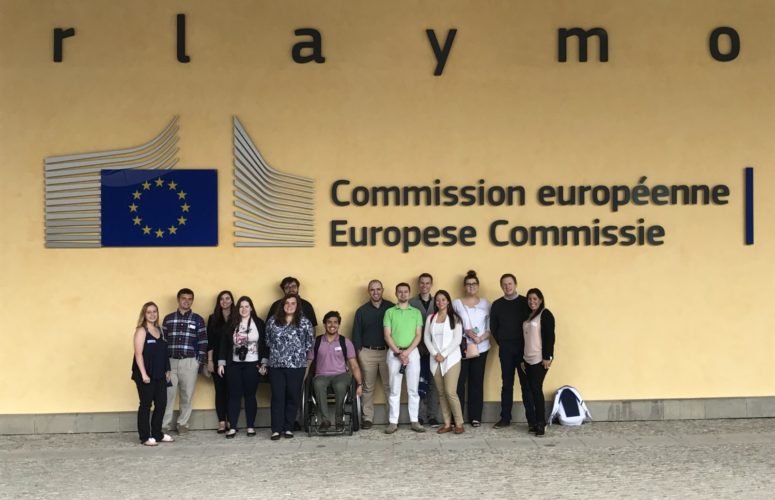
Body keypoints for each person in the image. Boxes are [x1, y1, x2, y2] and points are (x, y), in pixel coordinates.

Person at [217, 296, 268, 438]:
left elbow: (264, 344)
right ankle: (232, 427)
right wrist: (221, 363)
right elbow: (224, 344)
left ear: (251, 308)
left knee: (250, 395)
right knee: (234, 396)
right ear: (237, 309)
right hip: (234, 364)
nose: (244, 309)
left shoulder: (259, 323)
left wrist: (264, 362)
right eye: (241, 306)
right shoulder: (231, 323)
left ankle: (250, 426)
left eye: (247, 306)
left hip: (253, 363)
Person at [265, 294, 314, 440]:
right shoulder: (272, 321)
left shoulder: (305, 322)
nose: (290, 305)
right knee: (278, 396)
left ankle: (288, 427)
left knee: (293, 396)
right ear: (282, 304)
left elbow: (309, 343)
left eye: (293, 303)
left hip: (297, 365)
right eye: (287, 303)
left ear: (298, 305)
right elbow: (267, 341)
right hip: (276, 365)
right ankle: (276, 429)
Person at [490, 273, 534, 430]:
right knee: (507, 384)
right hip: (506, 349)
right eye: (504, 284)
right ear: (501, 286)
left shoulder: (525, 302)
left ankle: (532, 420)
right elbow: (493, 327)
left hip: (524, 350)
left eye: (510, 284)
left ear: (515, 284)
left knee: (526, 384)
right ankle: (505, 418)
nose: (507, 287)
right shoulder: (497, 305)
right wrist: (502, 342)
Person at [162, 288, 207, 434]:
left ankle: (182, 423)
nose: (186, 301)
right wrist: (164, 363)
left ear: (192, 301)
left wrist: (198, 362)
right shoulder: (168, 319)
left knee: (187, 395)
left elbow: (203, 341)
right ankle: (164, 424)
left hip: (189, 362)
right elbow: (162, 341)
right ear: (178, 299)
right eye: (183, 298)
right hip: (171, 362)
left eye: (189, 299)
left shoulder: (198, 319)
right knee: (168, 394)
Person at [350, 279, 393, 430]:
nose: (375, 292)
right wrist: (359, 353)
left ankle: (392, 418)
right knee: (368, 387)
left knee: (390, 386)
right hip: (367, 352)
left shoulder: (391, 308)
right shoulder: (361, 311)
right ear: (369, 292)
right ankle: (367, 418)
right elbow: (356, 334)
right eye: (372, 290)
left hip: (389, 352)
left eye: (378, 289)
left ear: (383, 290)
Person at [383, 283, 425, 434]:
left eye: (405, 292)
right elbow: (387, 335)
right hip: (394, 353)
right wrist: (399, 353)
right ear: (396, 293)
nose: (402, 294)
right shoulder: (389, 312)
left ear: (409, 293)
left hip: (412, 352)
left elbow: (419, 335)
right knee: (394, 389)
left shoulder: (416, 312)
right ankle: (393, 422)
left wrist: (406, 352)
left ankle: (414, 421)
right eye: (400, 292)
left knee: (413, 389)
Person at [311, 311, 363, 431]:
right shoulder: (316, 342)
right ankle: (325, 421)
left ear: (339, 325)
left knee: (340, 386)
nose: (332, 325)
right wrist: (302, 381)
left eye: (335, 322)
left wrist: (359, 384)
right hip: (321, 375)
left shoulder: (345, 342)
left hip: (341, 375)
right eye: (329, 322)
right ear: (324, 324)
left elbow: (354, 365)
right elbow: (308, 363)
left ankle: (339, 420)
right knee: (318, 384)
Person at [452, 270, 491, 427]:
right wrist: (465, 332)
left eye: (474, 284)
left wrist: (481, 338)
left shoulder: (486, 304)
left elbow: (490, 327)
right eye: (468, 284)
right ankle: (458, 417)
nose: (471, 287)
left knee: (477, 382)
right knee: (459, 383)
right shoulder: (456, 303)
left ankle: (476, 417)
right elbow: (452, 325)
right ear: (464, 286)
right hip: (461, 348)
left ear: (478, 286)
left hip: (481, 348)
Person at [131, 301, 173, 446]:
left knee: (161, 404)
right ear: (144, 314)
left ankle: (157, 434)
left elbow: (163, 352)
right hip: (145, 373)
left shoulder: (159, 330)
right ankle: (145, 437)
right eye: (149, 312)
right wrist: (143, 374)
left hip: (160, 373)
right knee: (146, 404)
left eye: (154, 311)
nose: (152, 314)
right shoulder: (141, 331)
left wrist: (167, 369)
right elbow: (138, 354)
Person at [423, 290, 464, 435]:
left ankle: (458, 423)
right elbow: (427, 338)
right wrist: (435, 354)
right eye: (438, 300)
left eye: (443, 300)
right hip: (435, 360)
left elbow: (457, 340)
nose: (440, 302)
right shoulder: (431, 318)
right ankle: (447, 423)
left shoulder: (455, 318)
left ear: (448, 301)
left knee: (450, 392)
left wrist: (444, 354)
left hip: (451, 360)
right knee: (441, 393)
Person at [521, 288, 555, 436]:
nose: (532, 302)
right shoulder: (528, 316)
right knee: (531, 390)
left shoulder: (545, 314)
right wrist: (523, 358)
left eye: (535, 299)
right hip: (527, 359)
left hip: (540, 359)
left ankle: (541, 423)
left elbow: (549, 337)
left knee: (536, 389)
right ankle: (535, 422)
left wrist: (548, 356)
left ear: (540, 300)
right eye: (529, 299)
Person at [408, 272, 440, 427]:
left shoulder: (439, 302)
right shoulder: (411, 303)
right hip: (417, 349)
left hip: (435, 350)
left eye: (427, 283)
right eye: (422, 283)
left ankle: (432, 415)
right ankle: (418, 415)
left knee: (434, 383)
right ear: (418, 285)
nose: (424, 286)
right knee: (418, 382)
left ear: (431, 284)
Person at [206, 291, 236, 433]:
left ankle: (232, 420)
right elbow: (210, 342)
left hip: (234, 360)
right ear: (218, 302)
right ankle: (222, 422)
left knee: (232, 391)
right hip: (217, 359)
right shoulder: (213, 319)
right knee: (220, 391)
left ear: (231, 300)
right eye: (221, 299)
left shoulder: (237, 317)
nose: (224, 301)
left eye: (227, 298)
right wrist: (210, 361)